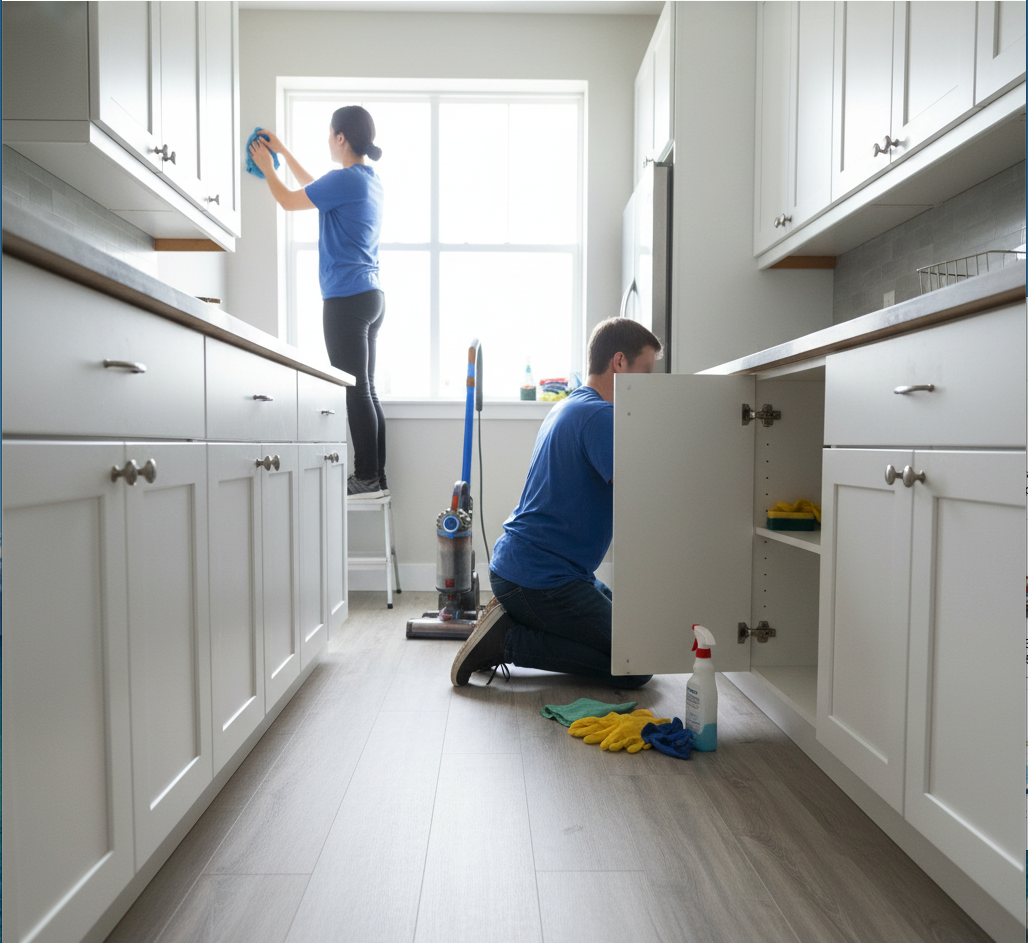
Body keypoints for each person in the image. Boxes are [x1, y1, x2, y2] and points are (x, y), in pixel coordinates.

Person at [450, 317, 662, 689]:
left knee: (636, 639)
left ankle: (515, 621)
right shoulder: (600, 416)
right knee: (636, 664)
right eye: (646, 370)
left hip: (533, 570)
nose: (651, 383)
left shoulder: (573, 404)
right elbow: (642, 497)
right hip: (538, 579)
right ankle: (508, 642)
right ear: (619, 362)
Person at [248, 106, 388, 499]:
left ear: (340, 137)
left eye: (330, 134)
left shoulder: (345, 182)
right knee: (367, 387)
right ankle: (376, 475)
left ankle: (366, 477)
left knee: (354, 388)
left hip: (346, 298)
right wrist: (284, 152)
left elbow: (292, 200)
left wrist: (267, 166)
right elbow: (317, 188)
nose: (328, 140)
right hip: (371, 296)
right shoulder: (365, 180)